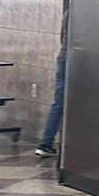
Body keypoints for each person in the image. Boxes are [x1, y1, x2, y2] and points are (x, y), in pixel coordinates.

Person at [35, 29, 66, 158]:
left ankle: (46, 144)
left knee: (58, 105)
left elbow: (62, 37)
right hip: (79, 59)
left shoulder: (69, 12)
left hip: (63, 57)